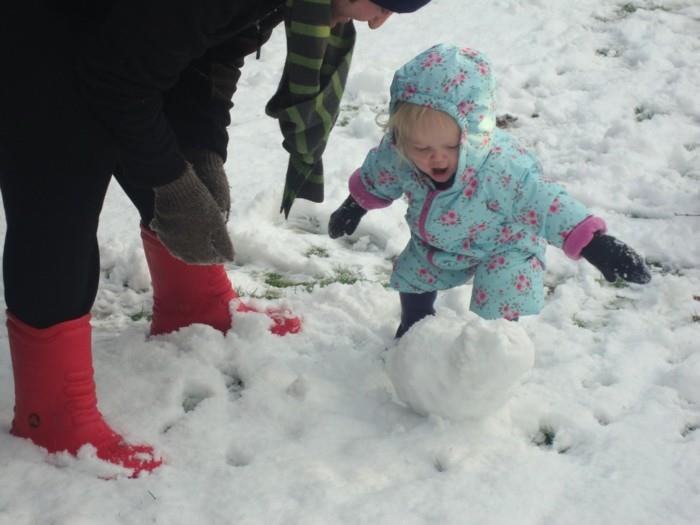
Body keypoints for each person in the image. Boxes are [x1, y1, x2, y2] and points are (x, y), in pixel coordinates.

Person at [0, 0, 433, 477]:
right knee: (60, 194)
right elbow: (117, 80)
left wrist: (201, 150)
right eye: (381, 3)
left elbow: (212, 53)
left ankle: (193, 303)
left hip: (117, 36)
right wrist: (167, 177)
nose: (376, 21)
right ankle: (52, 415)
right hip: (38, 29)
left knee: (166, 140)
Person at [328, 43, 651, 338]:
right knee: (413, 272)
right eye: (421, 147)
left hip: (505, 244)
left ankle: (496, 347)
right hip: (439, 241)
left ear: (471, 135)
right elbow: (379, 173)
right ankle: (414, 326)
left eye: (451, 146)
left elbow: (546, 203)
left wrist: (596, 245)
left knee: (502, 292)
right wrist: (355, 204)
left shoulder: (501, 170)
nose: (435, 157)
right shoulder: (400, 154)